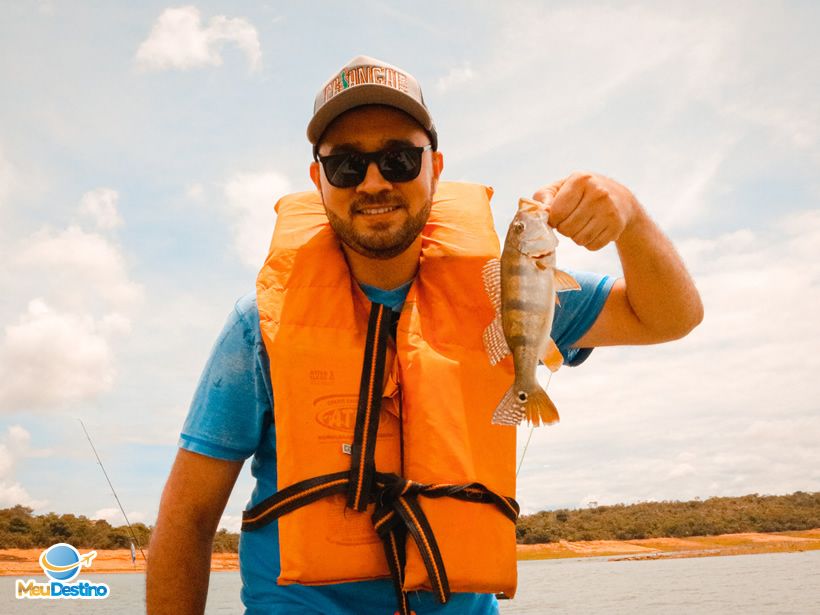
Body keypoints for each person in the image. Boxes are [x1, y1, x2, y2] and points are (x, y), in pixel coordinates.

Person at [146, 56, 703, 615]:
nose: (373, 182)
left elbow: (670, 317)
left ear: (434, 167)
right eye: (345, 165)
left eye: (398, 159)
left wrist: (629, 215)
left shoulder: (508, 285)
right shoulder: (258, 325)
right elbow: (187, 518)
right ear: (318, 180)